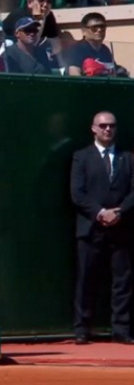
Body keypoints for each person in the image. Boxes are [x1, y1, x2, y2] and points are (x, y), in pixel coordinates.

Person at [70, 111, 134, 345]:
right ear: (94, 128)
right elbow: (77, 194)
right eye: (103, 125)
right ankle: (82, 329)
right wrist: (100, 213)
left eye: (112, 125)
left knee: (122, 281)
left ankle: (121, 329)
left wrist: (120, 212)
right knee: (86, 280)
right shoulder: (81, 157)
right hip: (91, 229)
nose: (108, 129)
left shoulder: (128, 158)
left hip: (121, 229)